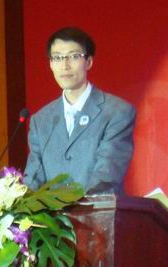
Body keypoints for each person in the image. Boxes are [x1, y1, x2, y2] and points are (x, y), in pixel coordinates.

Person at [23, 27, 136, 194]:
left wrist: (75, 208)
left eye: (74, 56)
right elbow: (33, 180)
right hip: (51, 213)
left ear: (89, 62)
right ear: (51, 64)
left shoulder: (117, 112)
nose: (65, 65)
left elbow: (106, 177)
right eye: (57, 57)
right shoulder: (40, 121)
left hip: (97, 210)